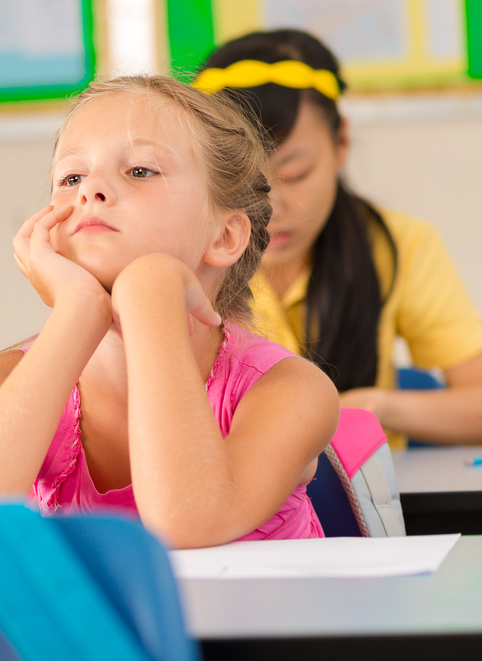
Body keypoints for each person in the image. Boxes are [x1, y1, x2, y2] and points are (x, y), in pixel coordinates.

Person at [0, 75, 338, 548]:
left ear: (225, 236)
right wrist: (77, 312)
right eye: (72, 177)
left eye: (140, 170)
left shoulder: (289, 390)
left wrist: (150, 296)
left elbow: (187, 524)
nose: (90, 191)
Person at [197, 29, 482, 447]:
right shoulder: (176, 259)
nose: (270, 209)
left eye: (294, 175)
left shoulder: (397, 244)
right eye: (243, 183)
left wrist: (381, 408)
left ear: (341, 141)